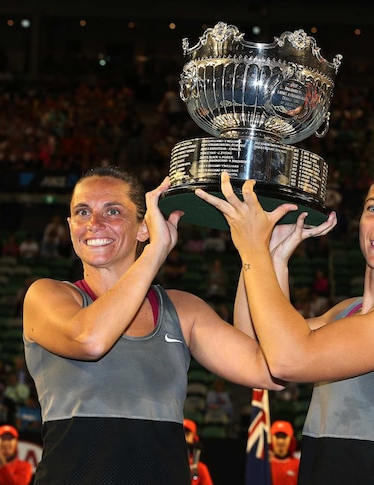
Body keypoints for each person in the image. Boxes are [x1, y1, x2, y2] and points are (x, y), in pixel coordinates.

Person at [197, 164, 374, 484]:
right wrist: (271, 254)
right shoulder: (347, 312)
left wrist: (253, 249)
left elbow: (289, 359)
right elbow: (257, 351)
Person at [22, 167, 281, 484]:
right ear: (70, 226)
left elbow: (268, 367)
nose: (94, 224)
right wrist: (156, 251)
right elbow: (89, 340)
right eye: (82, 212)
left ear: (143, 227)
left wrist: (262, 253)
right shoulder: (47, 296)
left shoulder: (182, 310)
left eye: (112, 211)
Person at [183, 419, 213, 485]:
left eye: (187, 434)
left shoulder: (200, 468)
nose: (183, 438)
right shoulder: (168, 462)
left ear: (194, 438)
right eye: (181, 434)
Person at [270, 420, 300, 485]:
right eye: (277, 436)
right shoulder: (265, 465)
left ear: (291, 439)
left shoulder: (298, 465)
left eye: (284, 437)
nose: (280, 441)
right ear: (271, 438)